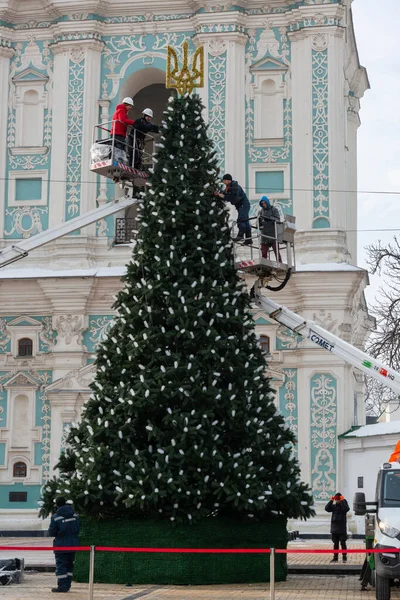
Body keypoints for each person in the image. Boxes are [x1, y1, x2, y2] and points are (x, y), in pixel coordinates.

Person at [48, 497, 80, 593]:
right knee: (70, 565)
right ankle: (68, 585)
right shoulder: (75, 515)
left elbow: (52, 532)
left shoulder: (55, 517)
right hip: (73, 544)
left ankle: (62, 586)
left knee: (61, 565)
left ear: (57, 505)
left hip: (61, 545)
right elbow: (78, 528)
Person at [217, 174, 252, 244]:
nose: (223, 182)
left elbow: (233, 197)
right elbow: (225, 193)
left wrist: (224, 196)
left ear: (228, 180)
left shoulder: (234, 187)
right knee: (245, 221)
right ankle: (249, 239)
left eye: (224, 180)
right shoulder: (229, 187)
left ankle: (240, 235)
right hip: (242, 205)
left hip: (243, 204)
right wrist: (219, 194)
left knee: (241, 219)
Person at [325, 492, 350, 563]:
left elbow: (346, 509)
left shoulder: (343, 506)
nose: (337, 501)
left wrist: (342, 500)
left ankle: (344, 557)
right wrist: (331, 500)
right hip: (334, 529)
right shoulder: (334, 507)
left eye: (337, 499)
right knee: (335, 544)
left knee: (343, 543)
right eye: (336, 499)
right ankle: (335, 558)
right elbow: (326, 508)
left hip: (342, 528)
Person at [258, 196, 282, 261]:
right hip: (264, 235)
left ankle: (280, 264)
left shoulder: (274, 209)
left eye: (264, 203)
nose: (263, 205)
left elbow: (278, 219)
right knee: (263, 253)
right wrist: (260, 223)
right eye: (262, 203)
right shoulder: (260, 212)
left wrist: (269, 218)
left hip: (273, 235)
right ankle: (264, 267)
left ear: (267, 202)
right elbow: (258, 222)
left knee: (276, 252)